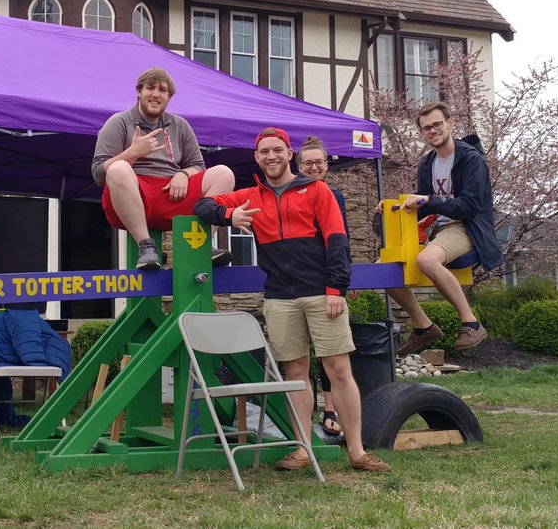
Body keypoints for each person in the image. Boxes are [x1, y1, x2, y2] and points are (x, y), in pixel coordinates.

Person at [195, 127, 389, 473]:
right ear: (256, 158)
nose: (271, 156)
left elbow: (338, 243)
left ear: (290, 155)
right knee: (295, 372)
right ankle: (303, 450)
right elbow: (202, 205)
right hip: (280, 299)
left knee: (339, 370)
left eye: (277, 150)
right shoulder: (250, 196)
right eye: (264, 152)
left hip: (320, 295)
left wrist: (335, 291)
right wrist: (230, 216)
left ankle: (357, 451)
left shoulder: (317, 191)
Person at [375, 101, 503, 357]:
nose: (433, 131)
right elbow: (423, 205)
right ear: (421, 133)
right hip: (440, 229)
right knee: (382, 269)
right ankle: (424, 326)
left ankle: (471, 323)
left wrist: (429, 201)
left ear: (450, 123)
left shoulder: (470, 159)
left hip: (467, 227)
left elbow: (469, 206)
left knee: (427, 260)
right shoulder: (427, 164)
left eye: (437, 124)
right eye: (426, 128)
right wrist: (394, 207)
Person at [91, 67, 235, 269]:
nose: (156, 94)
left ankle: (199, 246)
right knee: (118, 168)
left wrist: (183, 174)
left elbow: (198, 165)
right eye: (150, 88)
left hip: (172, 194)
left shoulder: (180, 125)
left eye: (163, 90)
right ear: (139, 91)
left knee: (224, 174)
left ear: (169, 97)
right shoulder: (118, 122)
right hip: (135, 196)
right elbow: (98, 174)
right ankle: (145, 245)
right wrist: (134, 152)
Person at [297, 137, 347, 439]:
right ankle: (306, 418)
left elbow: (341, 238)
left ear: (327, 166)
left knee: (330, 354)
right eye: (308, 163)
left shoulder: (334, 195)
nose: (314, 167)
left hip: (326, 283)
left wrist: (340, 282)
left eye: (319, 162)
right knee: (298, 358)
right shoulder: (290, 194)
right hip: (295, 285)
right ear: (299, 166)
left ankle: (331, 411)